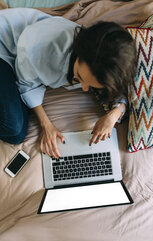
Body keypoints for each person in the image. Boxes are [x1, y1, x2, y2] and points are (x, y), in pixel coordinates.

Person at [0, 8, 137, 158]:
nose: (84, 88)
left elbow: (121, 90)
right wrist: (47, 125)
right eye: (79, 77)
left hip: (20, 58)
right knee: (15, 131)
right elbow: (26, 84)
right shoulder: (43, 49)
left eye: (91, 86)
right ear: (78, 52)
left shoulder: (105, 63)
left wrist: (113, 115)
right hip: (4, 48)